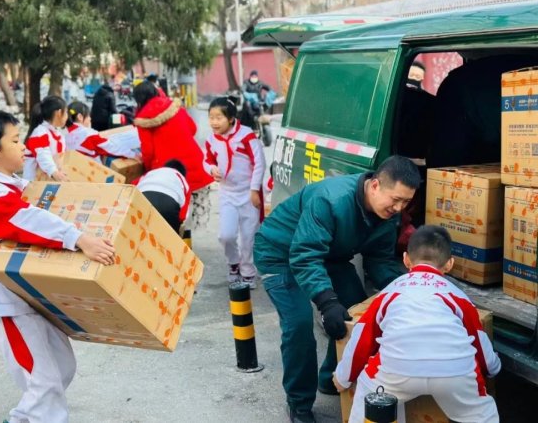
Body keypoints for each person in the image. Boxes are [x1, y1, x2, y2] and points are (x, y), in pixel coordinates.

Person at [0, 110, 116, 423]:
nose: (24, 146)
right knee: (43, 381)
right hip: (9, 304)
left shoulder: (15, 185)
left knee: (62, 368)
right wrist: (79, 238)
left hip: (33, 295)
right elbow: (32, 221)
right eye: (15, 141)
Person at [253, 155, 421, 423]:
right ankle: (299, 403)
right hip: (280, 253)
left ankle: (331, 377)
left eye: (406, 202)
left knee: (355, 311)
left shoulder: (389, 214)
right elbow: (304, 255)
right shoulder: (331, 199)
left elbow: (379, 260)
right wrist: (327, 301)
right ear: (375, 185)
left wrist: (407, 290)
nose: (399, 208)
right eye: (396, 199)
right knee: (299, 324)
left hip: (328, 254)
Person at [334, 225, 501, 423]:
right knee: (482, 414)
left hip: (398, 369)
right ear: (449, 264)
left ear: (406, 259)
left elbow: (362, 338)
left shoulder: (390, 292)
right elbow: (479, 341)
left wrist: (342, 377)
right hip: (453, 371)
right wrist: (493, 367)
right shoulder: (457, 296)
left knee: (371, 396)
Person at [204, 97, 266, 289]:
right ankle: (233, 264)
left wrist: (254, 190)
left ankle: (248, 273)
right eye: (211, 117)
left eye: (219, 118)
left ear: (231, 119)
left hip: (248, 194)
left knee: (248, 237)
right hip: (227, 194)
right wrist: (211, 168)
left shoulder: (246, 135)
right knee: (226, 235)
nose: (214, 122)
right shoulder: (211, 139)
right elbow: (207, 160)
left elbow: (259, 163)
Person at [132, 80, 213, 196]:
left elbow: (148, 151)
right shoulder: (174, 106)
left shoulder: (143, 119)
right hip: (198, 167)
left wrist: (148, 170)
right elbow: (193, 129)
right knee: (201, 205)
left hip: (169, 174)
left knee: (178, 205)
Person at [63, 101, 138, 162]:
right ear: (80, 117)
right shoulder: (87, 135)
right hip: (93, 172)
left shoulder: (66, 136)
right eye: (88, 116)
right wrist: (133, 155)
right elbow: (110, 148)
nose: (90, 119)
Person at [136, 159, 191, 234]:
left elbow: (132, 185)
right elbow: (184, 212)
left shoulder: (151, 173)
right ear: (182, 173)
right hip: (168, 205)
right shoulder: (181, 178)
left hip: (142, 198)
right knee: (168, 237)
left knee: (136, 232)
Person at [23, 95, 68, 181]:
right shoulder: (39, 133)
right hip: (34, 183)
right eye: (66, 112)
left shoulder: (58, 134)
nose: (67, 116)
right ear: (59, 113)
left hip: (49, 180)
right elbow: (43, 154)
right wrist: (54, 172)